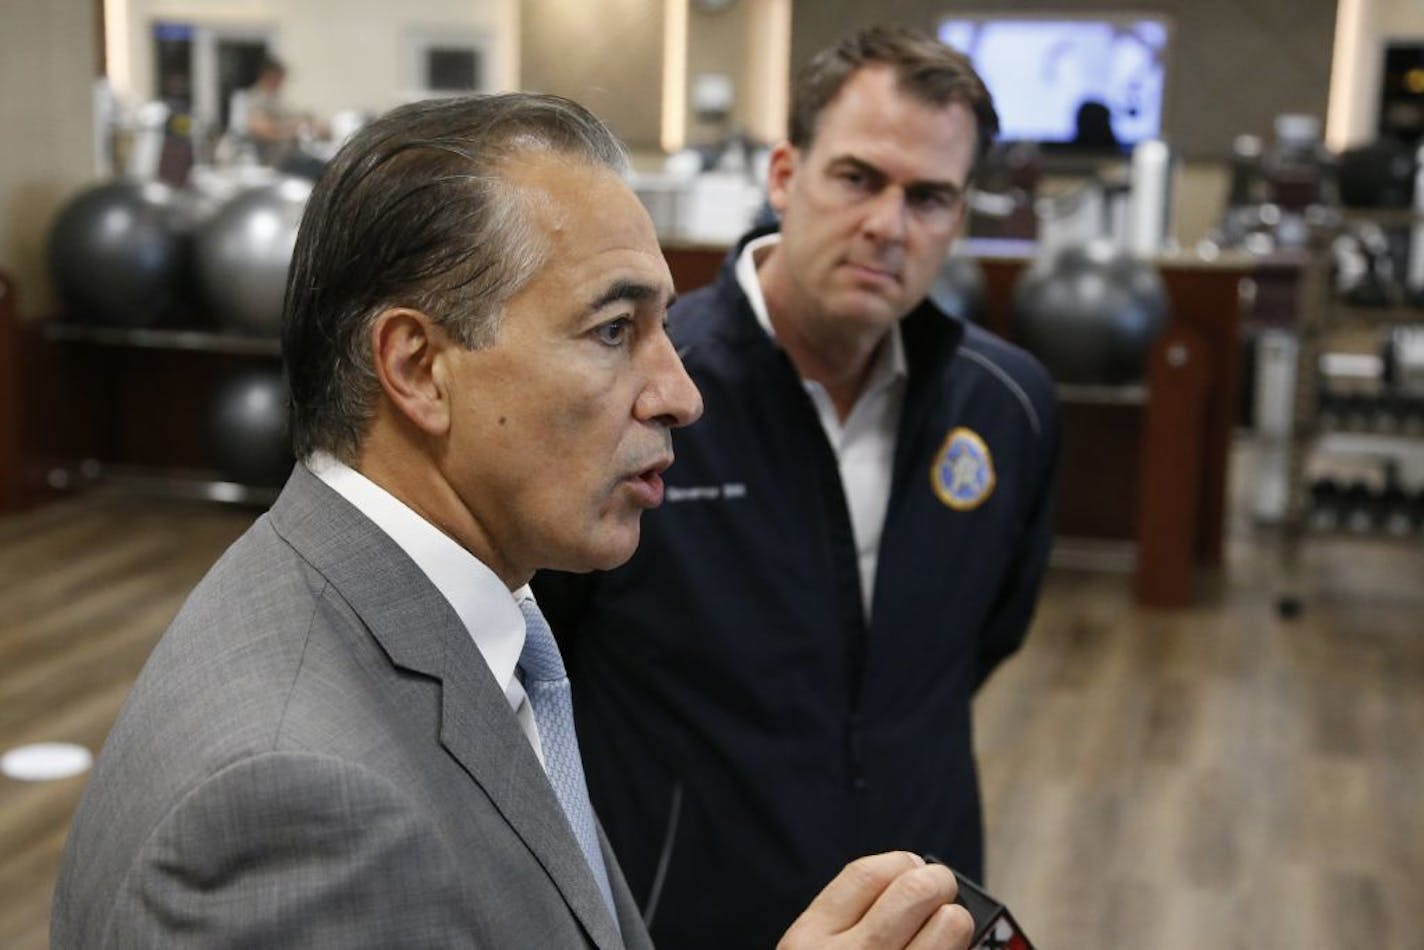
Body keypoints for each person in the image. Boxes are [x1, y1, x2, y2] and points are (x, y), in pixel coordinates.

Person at [50, 93, 977, 949]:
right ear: (417, 367)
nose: (681, 393)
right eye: (615, 330)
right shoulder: (298, 803)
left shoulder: (464, 620)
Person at [533, 25, 1060, 950]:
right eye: (859, 178)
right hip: (683, 914)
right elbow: (542, 657)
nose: (890, 227)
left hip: (919, 912)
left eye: (930, 197)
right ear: (785, 175)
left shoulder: (1008, 404)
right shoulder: (644, 391)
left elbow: (985, 636)